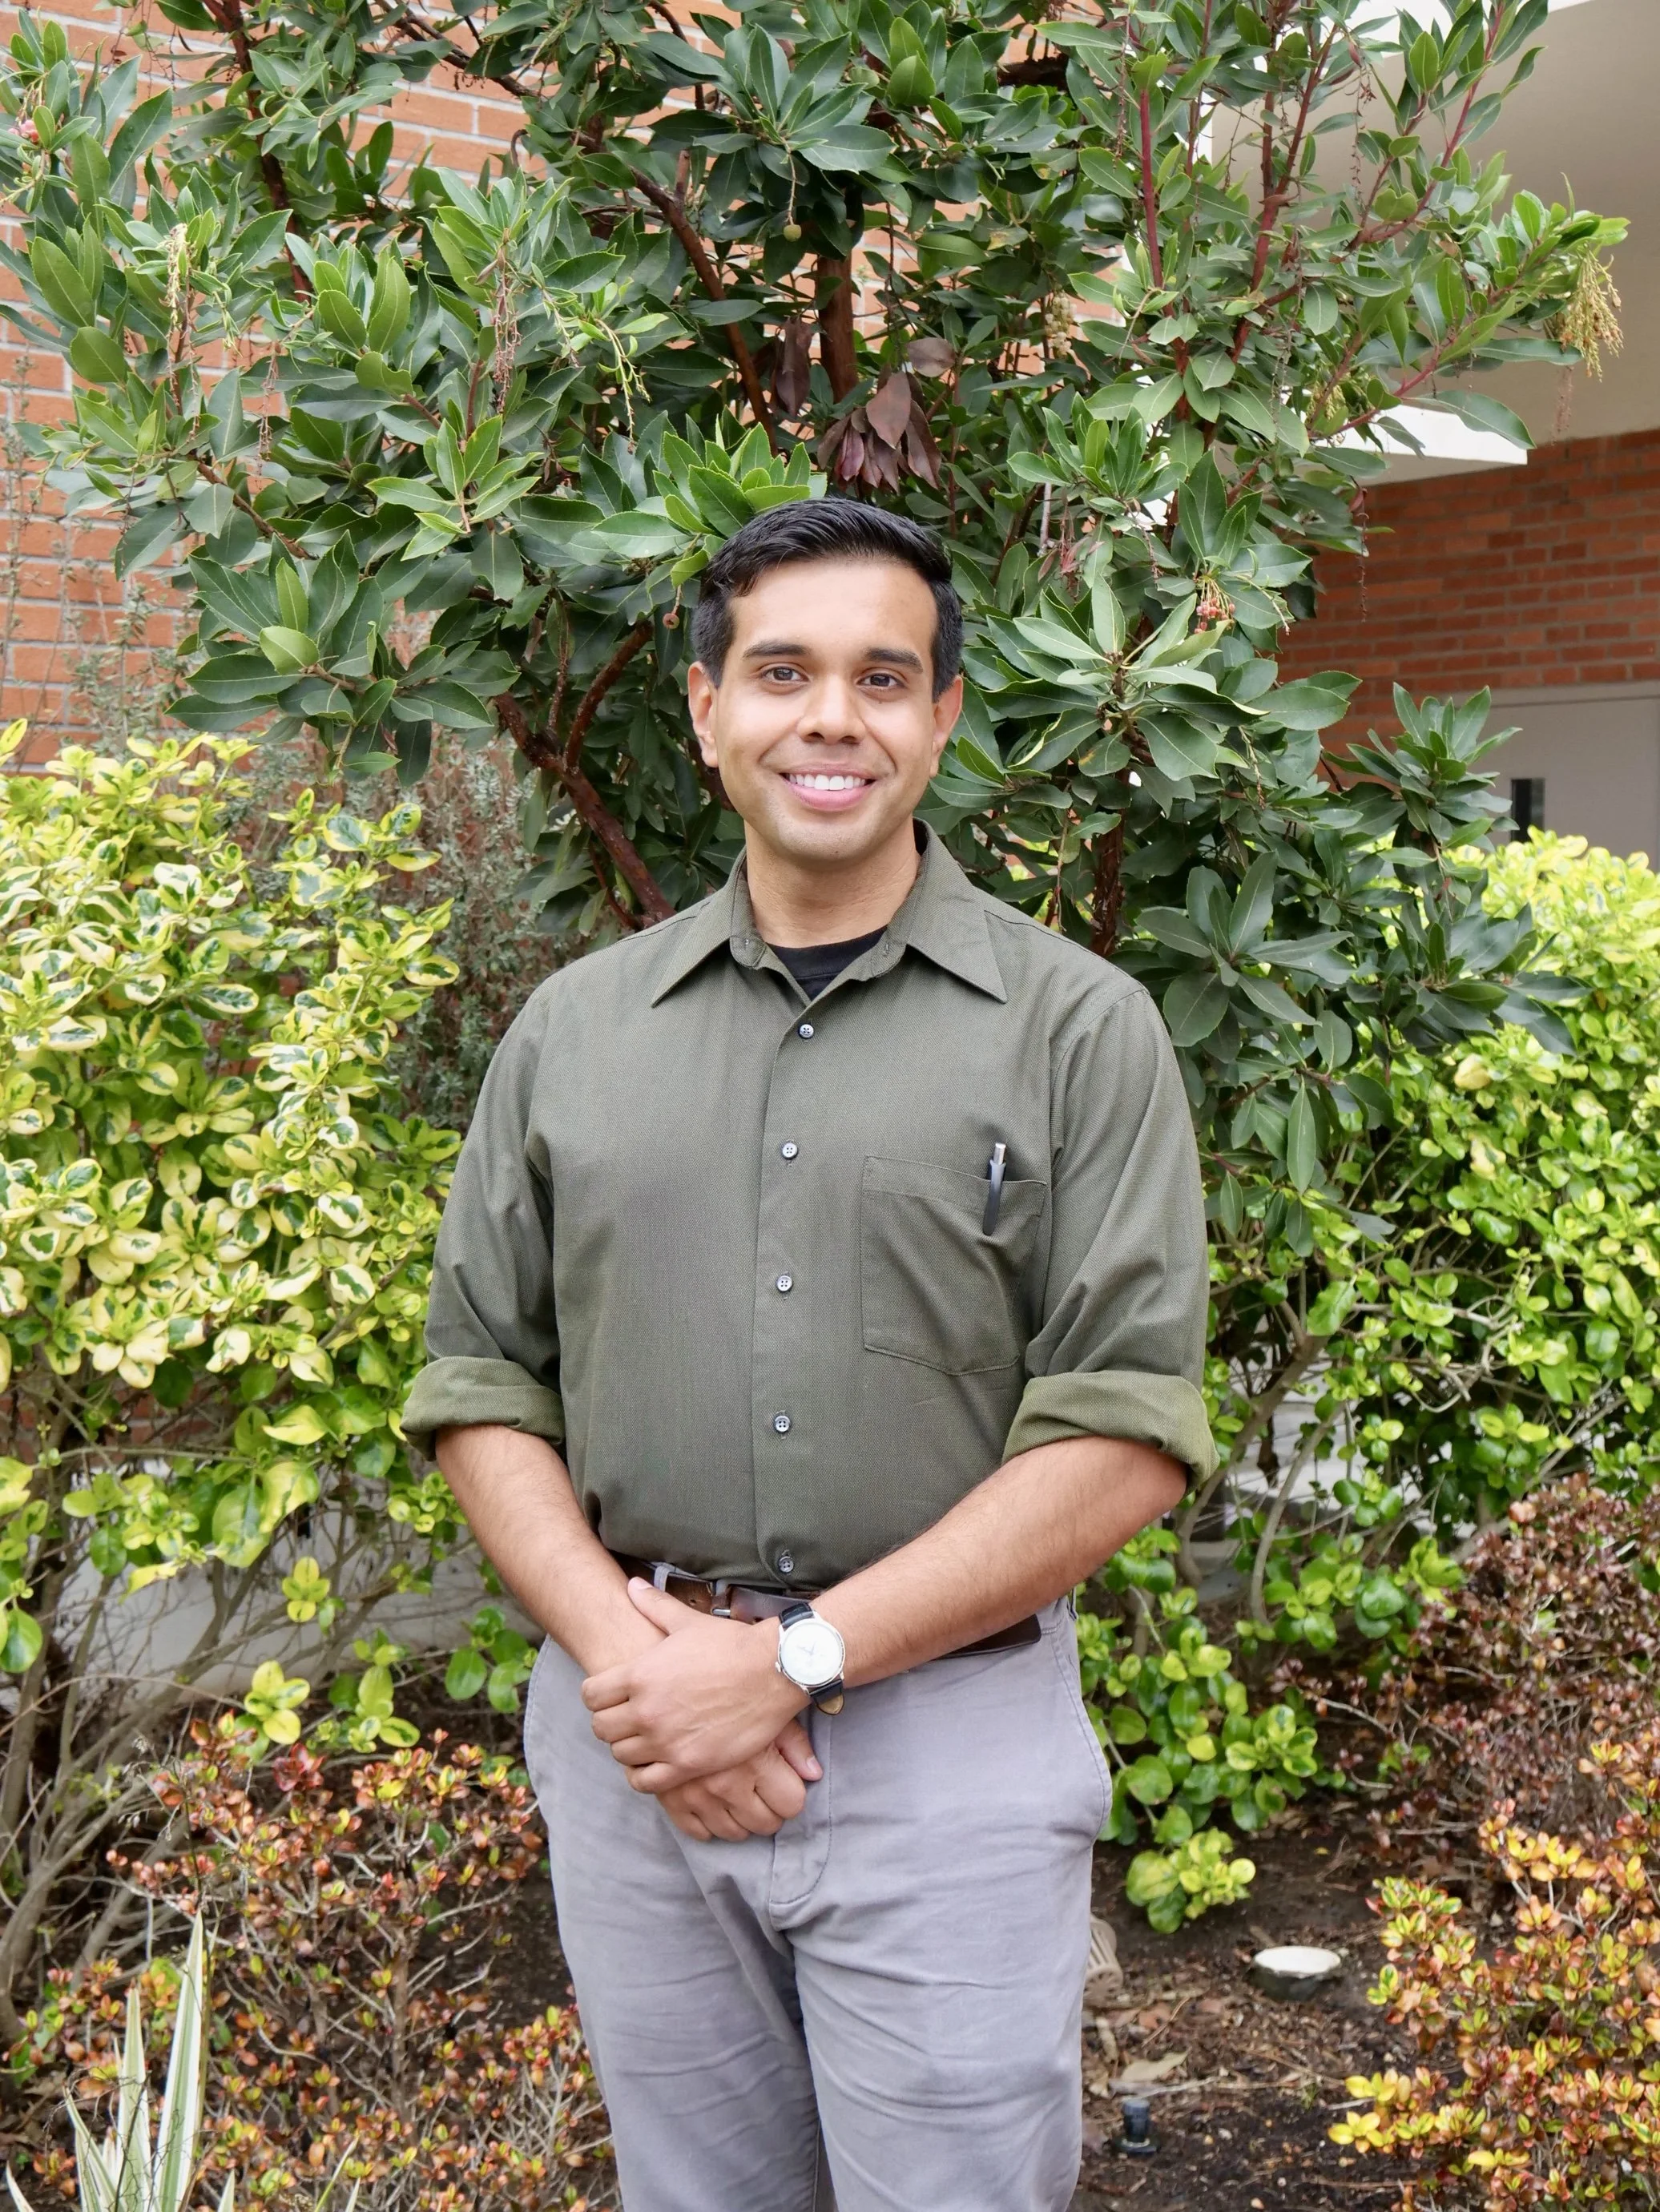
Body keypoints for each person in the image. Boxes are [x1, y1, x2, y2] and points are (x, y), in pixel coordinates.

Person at [402, 500, 1215, 2212]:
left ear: (941, 715)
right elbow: (482, 1378)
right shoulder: (575, 1033)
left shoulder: (1083, 1033)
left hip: (945, 1749)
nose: (828, 717)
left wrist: (784, 1670)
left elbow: (1122, 1429)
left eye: (881, 676)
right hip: (636, 1738)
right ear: (706, 709)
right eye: (781, 670)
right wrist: (646, 1670)